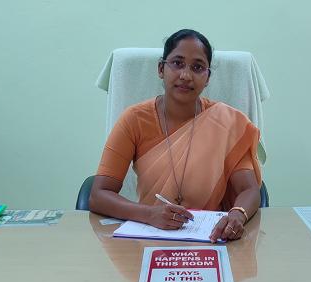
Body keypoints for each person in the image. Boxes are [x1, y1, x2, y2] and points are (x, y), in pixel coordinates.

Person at [90, 29, 262, 242]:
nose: (186, 75)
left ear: (207, 77)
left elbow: (250, 190)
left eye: (197, 67)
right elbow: (99, 195)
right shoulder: (134, 119)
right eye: (177, 63)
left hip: (211, 239)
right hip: (150, 237)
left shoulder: (227, 122)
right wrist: (148, 214)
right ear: (161, 69)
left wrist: (237, 214)